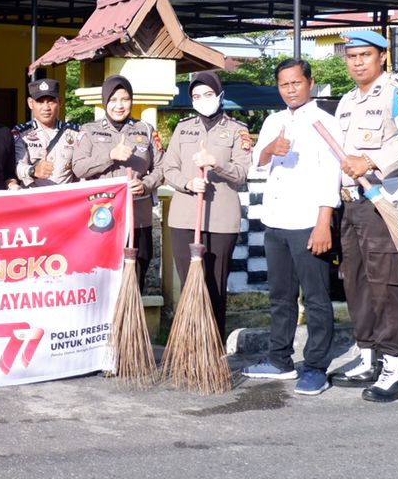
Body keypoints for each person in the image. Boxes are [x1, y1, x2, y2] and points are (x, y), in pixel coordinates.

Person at [329, 29, 398, 403]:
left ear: (382, 57)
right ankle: (369, 357)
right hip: (351, 205)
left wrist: (370, 161)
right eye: (351, 57)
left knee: (387, 285)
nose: (357, 63)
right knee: (356, 284)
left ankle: (395, 368)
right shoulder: (347, 101)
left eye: (365, 55)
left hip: (382, 204)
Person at [240, 59, 339, 396]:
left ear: (310, 82)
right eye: (284, 84)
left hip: (308, 222)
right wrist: (270, 148)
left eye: (296, 82)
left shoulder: (326, 122)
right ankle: (279, 359)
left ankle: (316, 367)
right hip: (276, 221)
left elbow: (331, 175)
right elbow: (257, 163)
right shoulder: (274, 121)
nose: (290, 89)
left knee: (316, 299)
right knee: (280, 297)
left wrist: (323, 222)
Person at [159, 71, 251, 338]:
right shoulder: (183, 127)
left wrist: (216, 163)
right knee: (189, 285)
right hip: (185, 217)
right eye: (197, 96)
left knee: (214, 287)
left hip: (221, 220)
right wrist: (188, 183)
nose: (203, 100)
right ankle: (190, 347)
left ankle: (213, 348)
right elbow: (168, 168)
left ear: (219, 95)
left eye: (208, 94)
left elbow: (242, 173)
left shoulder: (237, 130)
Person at [72, 75, 164, 292]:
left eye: (125, 99)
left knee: (136, 274)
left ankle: (131, 315)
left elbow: (162, 168)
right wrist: (110, 155)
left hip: (138, 217)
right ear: (105, 102)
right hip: (101, 218)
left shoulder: (146, 129)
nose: (119, 105)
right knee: (102, 279)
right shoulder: (89, 130)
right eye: (113, 100)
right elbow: (79, 167)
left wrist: (146, 184)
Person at [13, 78, 80, 188]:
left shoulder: (75, 133)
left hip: (65, 196)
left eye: (51, 101)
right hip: (34, 195)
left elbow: (82, 169)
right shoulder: (21, 133)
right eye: (40, 102)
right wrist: (33, 170)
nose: (46, 107)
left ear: (60, 101)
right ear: (30, 103)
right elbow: (17, 165)